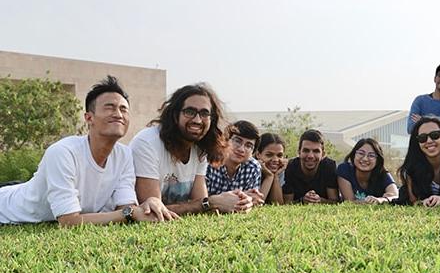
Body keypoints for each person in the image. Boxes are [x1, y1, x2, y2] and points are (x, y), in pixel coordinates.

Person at [0, 76, 175, 226]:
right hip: (6, 207)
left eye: (123, 109)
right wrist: (128, 214)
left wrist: (150, 202)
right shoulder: (63, 152)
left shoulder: (124, 154)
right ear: (88, 118)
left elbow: (125, 206)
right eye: (109, 107)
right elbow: (68, 222)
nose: (118, 114)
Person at [130, 83, 253, 215]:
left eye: (205, 113)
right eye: (190, 112)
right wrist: (211, 203)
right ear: (175, 115)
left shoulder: (200, 148)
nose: (198, 120)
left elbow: (200, 204)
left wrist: (238, 200)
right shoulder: (147, 143)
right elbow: (152, 212)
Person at [398, 115, 440, 206]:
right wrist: (423, 202)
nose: (429, 141)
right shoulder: (411, 168)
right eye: (422, 138)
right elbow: (413, 200)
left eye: (435, 135)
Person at [206, 120, 265, 205]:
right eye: (237, 141)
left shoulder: (253, 167)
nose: (241, 149)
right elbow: (200, 201)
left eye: (248, 146)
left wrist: (248, 199)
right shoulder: (210, 161)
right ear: (225, 141)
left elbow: (250, 200)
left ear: (253, 152)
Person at [283, 129, 339, 204]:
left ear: (323, 154)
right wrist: (302, 201)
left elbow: (335, 201)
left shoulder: (329, 166)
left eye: (316, 151)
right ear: (299, 152)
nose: (310, 156)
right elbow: (286, 203)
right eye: (306, 150)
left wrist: (320, 201)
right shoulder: (290, 167)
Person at [337, 138, 398, 203]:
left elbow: (395, 195)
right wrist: (370, 202)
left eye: (371, 155)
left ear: (377, 160)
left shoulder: (382, 173)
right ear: (354, 155)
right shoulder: (345, 169)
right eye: (361, 153)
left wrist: (380, 200)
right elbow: (350, 201)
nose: (365, 159)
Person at [256, 132, 287, 205]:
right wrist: (269, 177)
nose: (275, 160)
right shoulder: (252, 168)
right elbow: (257, 203)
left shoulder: (280, 169)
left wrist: (275, 177)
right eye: (269, 155)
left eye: (279, 155)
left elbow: (277, 204)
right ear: (258, 154)